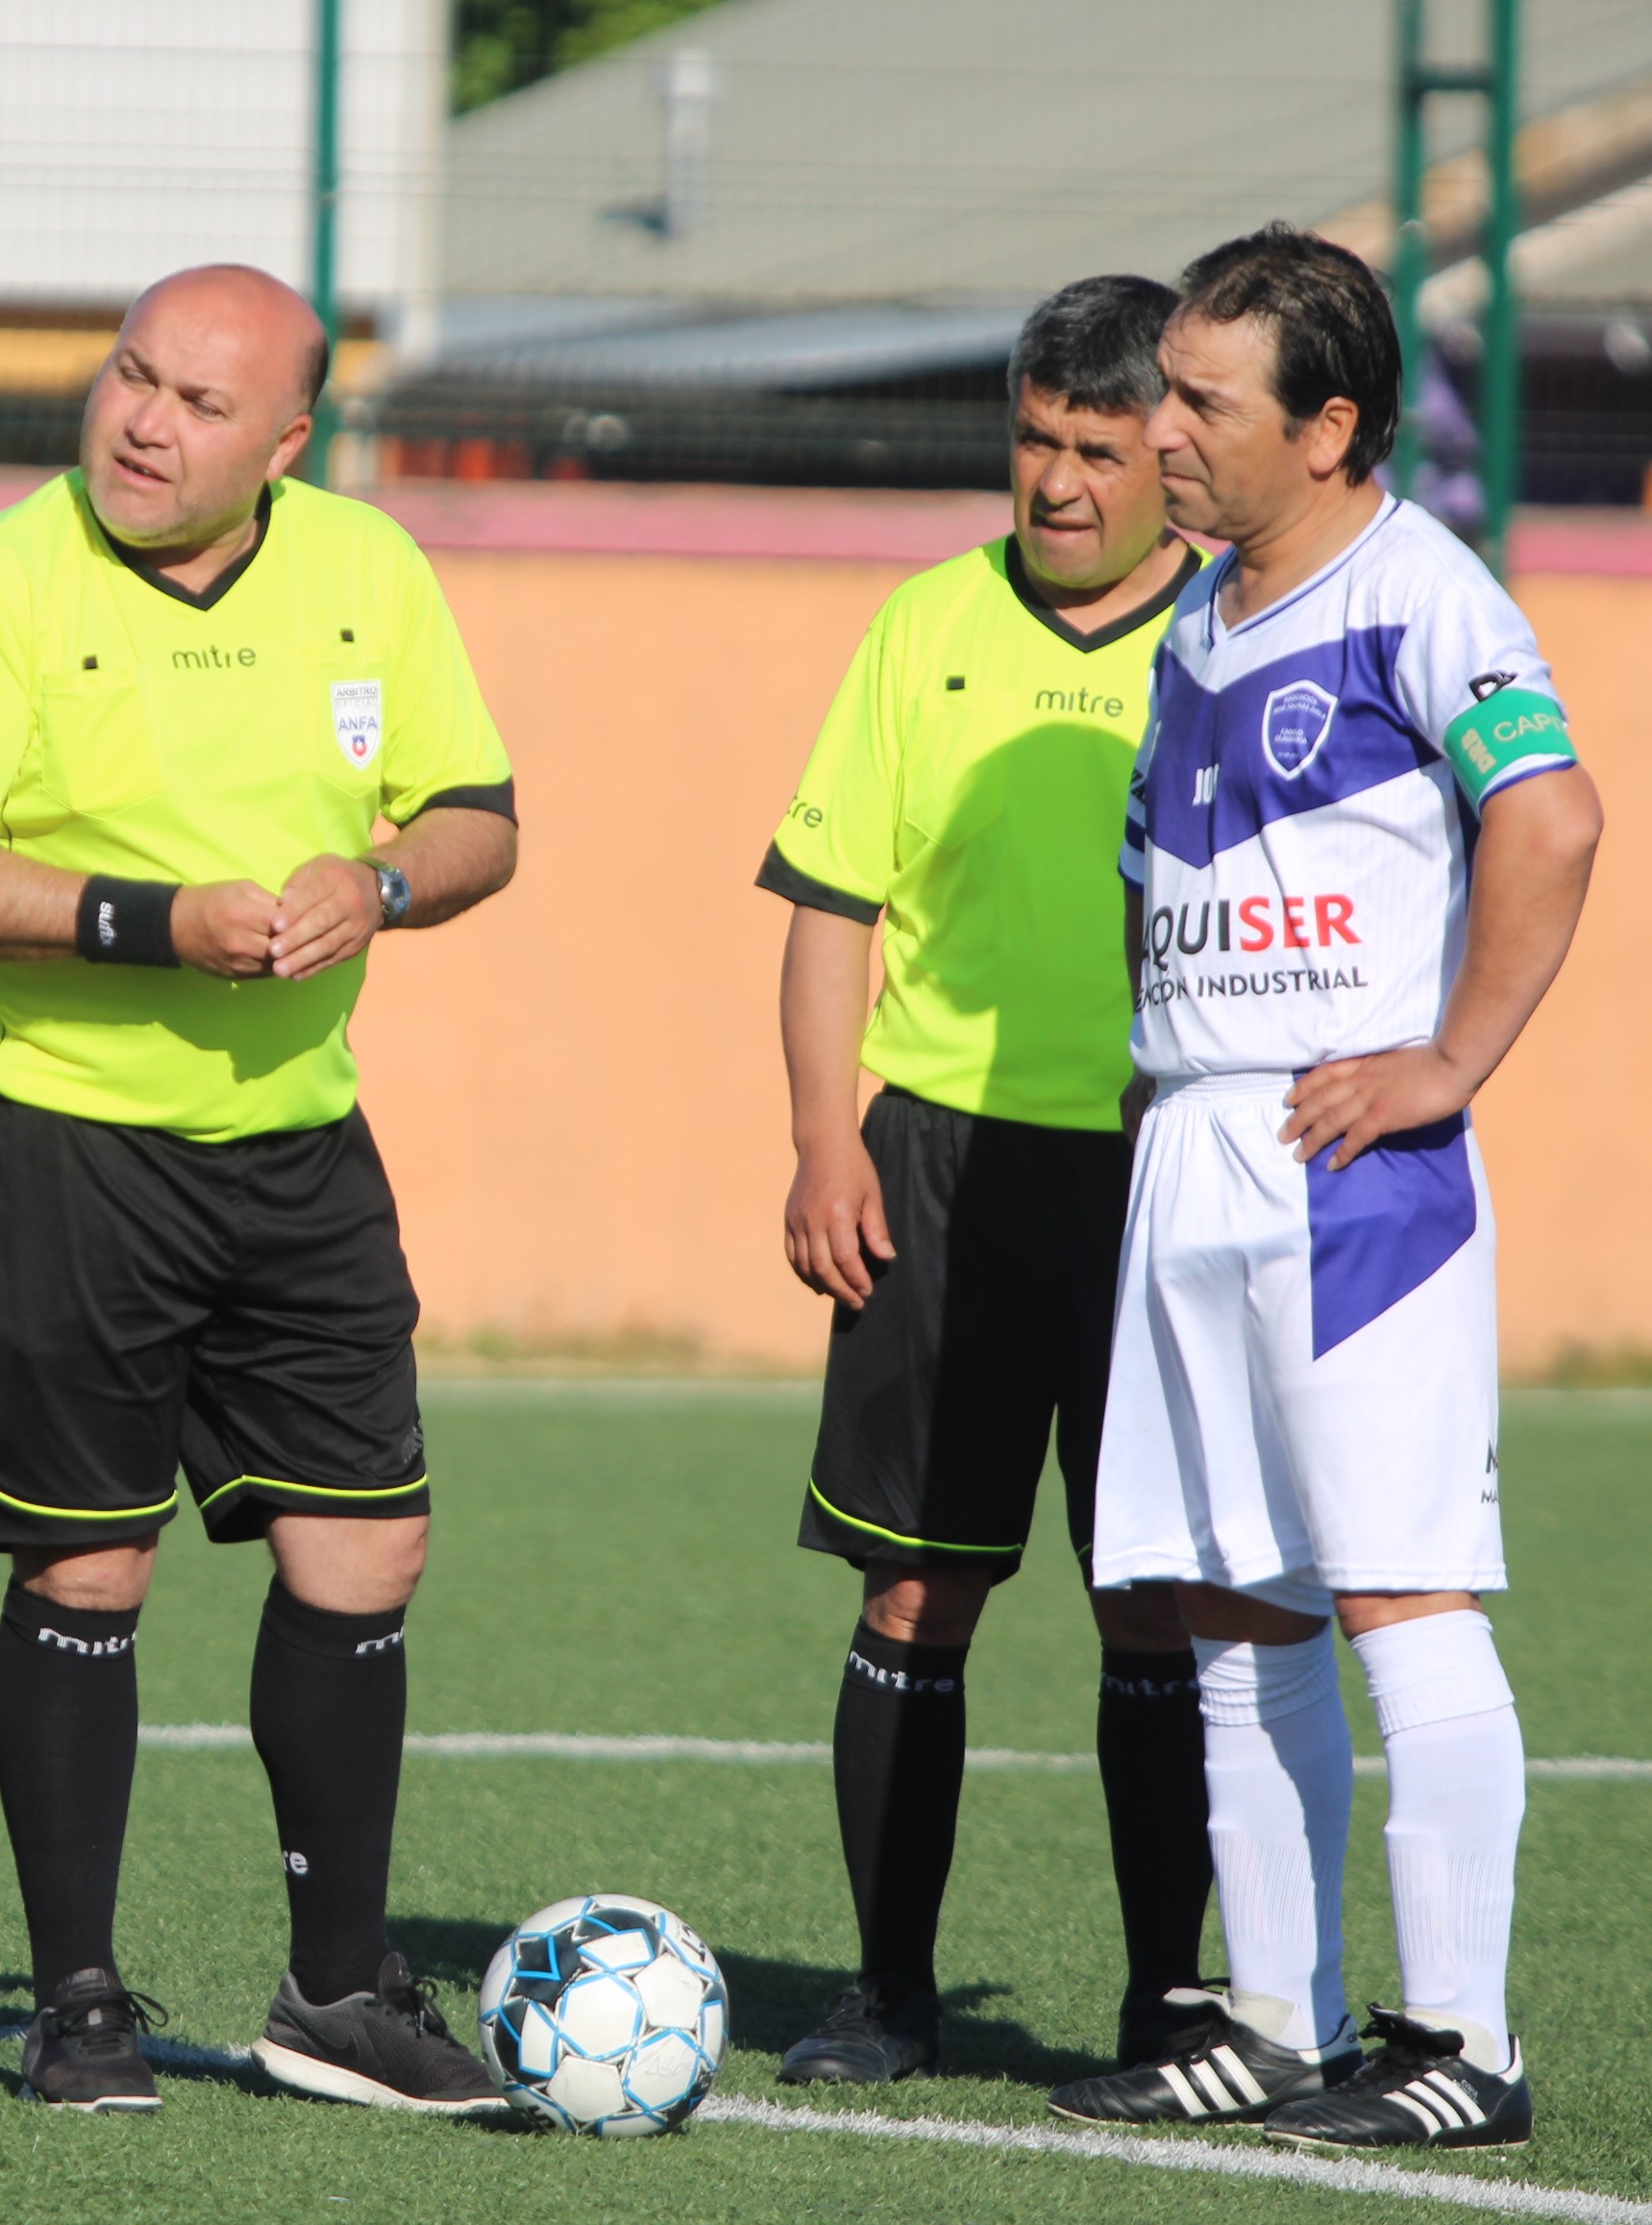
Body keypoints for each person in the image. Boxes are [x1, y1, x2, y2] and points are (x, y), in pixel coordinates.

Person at [0, 263, 520, 2115]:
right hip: (64, 1133)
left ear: (288, 442)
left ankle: (334, 1993)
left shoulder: (367, 568)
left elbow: (480, 820)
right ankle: (78, 2001)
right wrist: (149, 923)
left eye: (197, 403)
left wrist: (381, 886)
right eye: (131, 377)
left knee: (368, 1548)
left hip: (300, 1140)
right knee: (89, 1559)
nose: (143, 423)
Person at [1046, 226, 1598, 2152]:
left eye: (1203, 402)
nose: (1160, 432)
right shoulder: (1199, 615)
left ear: (1331, 425)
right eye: (1166, 394)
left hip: (1347, 1163)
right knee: (1236, 1600)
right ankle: (1279, 2014)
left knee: (1395, 1584)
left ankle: (1463, 2038)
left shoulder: (1422, 590)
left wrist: (1448, 1058)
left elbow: (1552, 815)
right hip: (1197, 1140)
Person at [760, 276, 1214, 2087]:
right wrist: (823, 1139)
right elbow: (830, 905)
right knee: (909, 1597)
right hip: (934, 1163)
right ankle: (886, 1992)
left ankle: (1170, 2000)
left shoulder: (1232, 638)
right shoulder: (923, 624)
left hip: (1158, 1167)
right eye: (1035, 439)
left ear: (1170, 451)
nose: (1059, 481)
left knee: (1153, 1602)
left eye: (1098, 448)